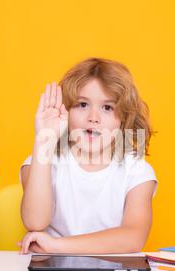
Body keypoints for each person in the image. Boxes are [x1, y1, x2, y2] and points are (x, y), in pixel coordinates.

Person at [18, 57, 158, 254]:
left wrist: (57, 246)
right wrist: (44, 141)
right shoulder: (41, 161)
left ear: (124, 118)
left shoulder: (137, 171)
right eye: (82, 105)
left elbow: (133, 237)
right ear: (65, 111)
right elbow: (35, 221)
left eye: (107, 107)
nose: (93, 117)